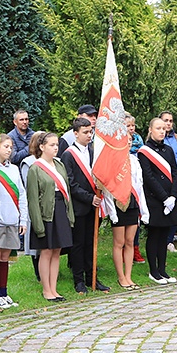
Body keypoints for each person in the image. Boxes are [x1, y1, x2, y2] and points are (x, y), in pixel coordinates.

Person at [61, 117, 109, 294]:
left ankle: (92, 277)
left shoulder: (93, 151)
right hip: (79, 206)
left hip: (93, 205)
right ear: (75, 133)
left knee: (91, 242)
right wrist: (89, 198)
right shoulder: (68, 154)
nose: (89, 135)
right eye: (85, 132)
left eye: (91, 132)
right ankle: (79, 280)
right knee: (78, 244)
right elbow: (70, 183)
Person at [26, 132, 73, 301]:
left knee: (56, 250)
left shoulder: (59, 165)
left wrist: (70, 216)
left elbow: (66, 191)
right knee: (46, 251)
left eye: (57, 145)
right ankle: (46, 289)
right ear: (42, 147)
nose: (56, 148)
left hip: (61, 209)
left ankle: (54, 288)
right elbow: (32, 199)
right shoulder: (35, 168)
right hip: (45, 213)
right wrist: (38, 224)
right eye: (52, 145)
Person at [0, 134, 27, 309]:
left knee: (5, 257)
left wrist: (23, 219)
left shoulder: (14, 169)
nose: (9, 150)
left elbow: (21, 194)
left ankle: (4, 292)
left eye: (11, 147)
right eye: (5, 146)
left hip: (12, 219)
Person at [138, 118, 177, 284]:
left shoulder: (169, 150)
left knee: (164, 235)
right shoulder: (144, 151)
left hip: (170, 199)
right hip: (155, 199)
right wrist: (164, 198)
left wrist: (173, 196)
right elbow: (148, 177)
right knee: (155, 234)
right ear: (150, 129)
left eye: (164, 128)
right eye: (158, 128)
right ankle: (153, 271)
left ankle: (163, 270)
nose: (162, 131)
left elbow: (176, 173)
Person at [102, 138, 148, 290]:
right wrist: (111, 212)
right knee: (119, 242)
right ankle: (121, 277)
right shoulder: (112, 161)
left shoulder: (134, 161)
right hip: (118, 203)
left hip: (133, 202)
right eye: (125, 141)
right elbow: (108, 189)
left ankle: (129, 276)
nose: (128, 143)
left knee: (130, 241)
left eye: (129, 141)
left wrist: (143, 209)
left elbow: (139, 184)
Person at [160, 111, 177, 252]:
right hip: (164, 180)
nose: (168, 123)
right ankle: (161, 239)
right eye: (166, 120)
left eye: (170, 120)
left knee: (175, 210)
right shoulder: (158, 138)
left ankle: (169, 241)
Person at [19, 132, 43, 283]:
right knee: (36, 245)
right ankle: (38, 273)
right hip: (34, 206)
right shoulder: (28, 163)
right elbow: (29, 187)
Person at [126, 114, 145, 264]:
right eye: (128, 126)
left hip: (136, 185)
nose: (131, 128)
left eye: (133, 125)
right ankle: (125, 250)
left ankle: (135, 248)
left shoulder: (138, 141)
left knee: (136, 222)